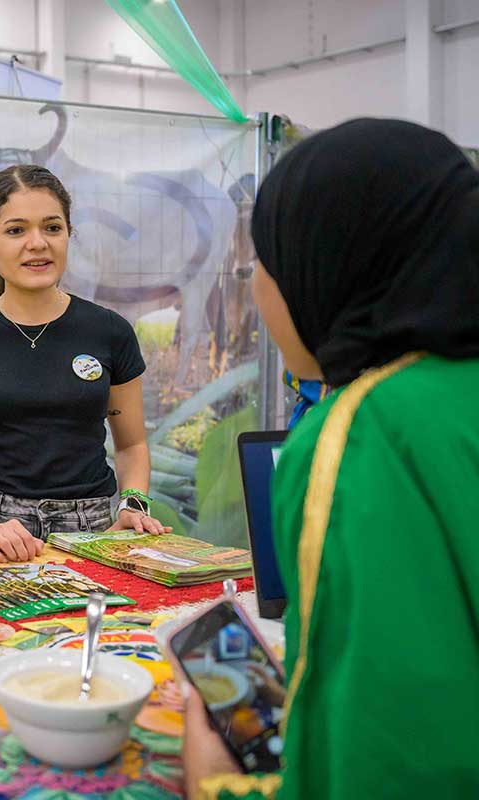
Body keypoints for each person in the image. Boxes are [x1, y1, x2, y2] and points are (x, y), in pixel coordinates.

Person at [181, 118, 479, 799]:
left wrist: (220, 786)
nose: (256, 288)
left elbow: (391, 770)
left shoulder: (370, 434)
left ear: (332, 265)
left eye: (268, 258)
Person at [0, 164, 171, 563]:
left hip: (94, 531)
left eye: (52, 228)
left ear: (68, 233)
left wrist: (133, 505)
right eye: (16, 230)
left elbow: (131, 444)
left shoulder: (109, 332)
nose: (38, 243)